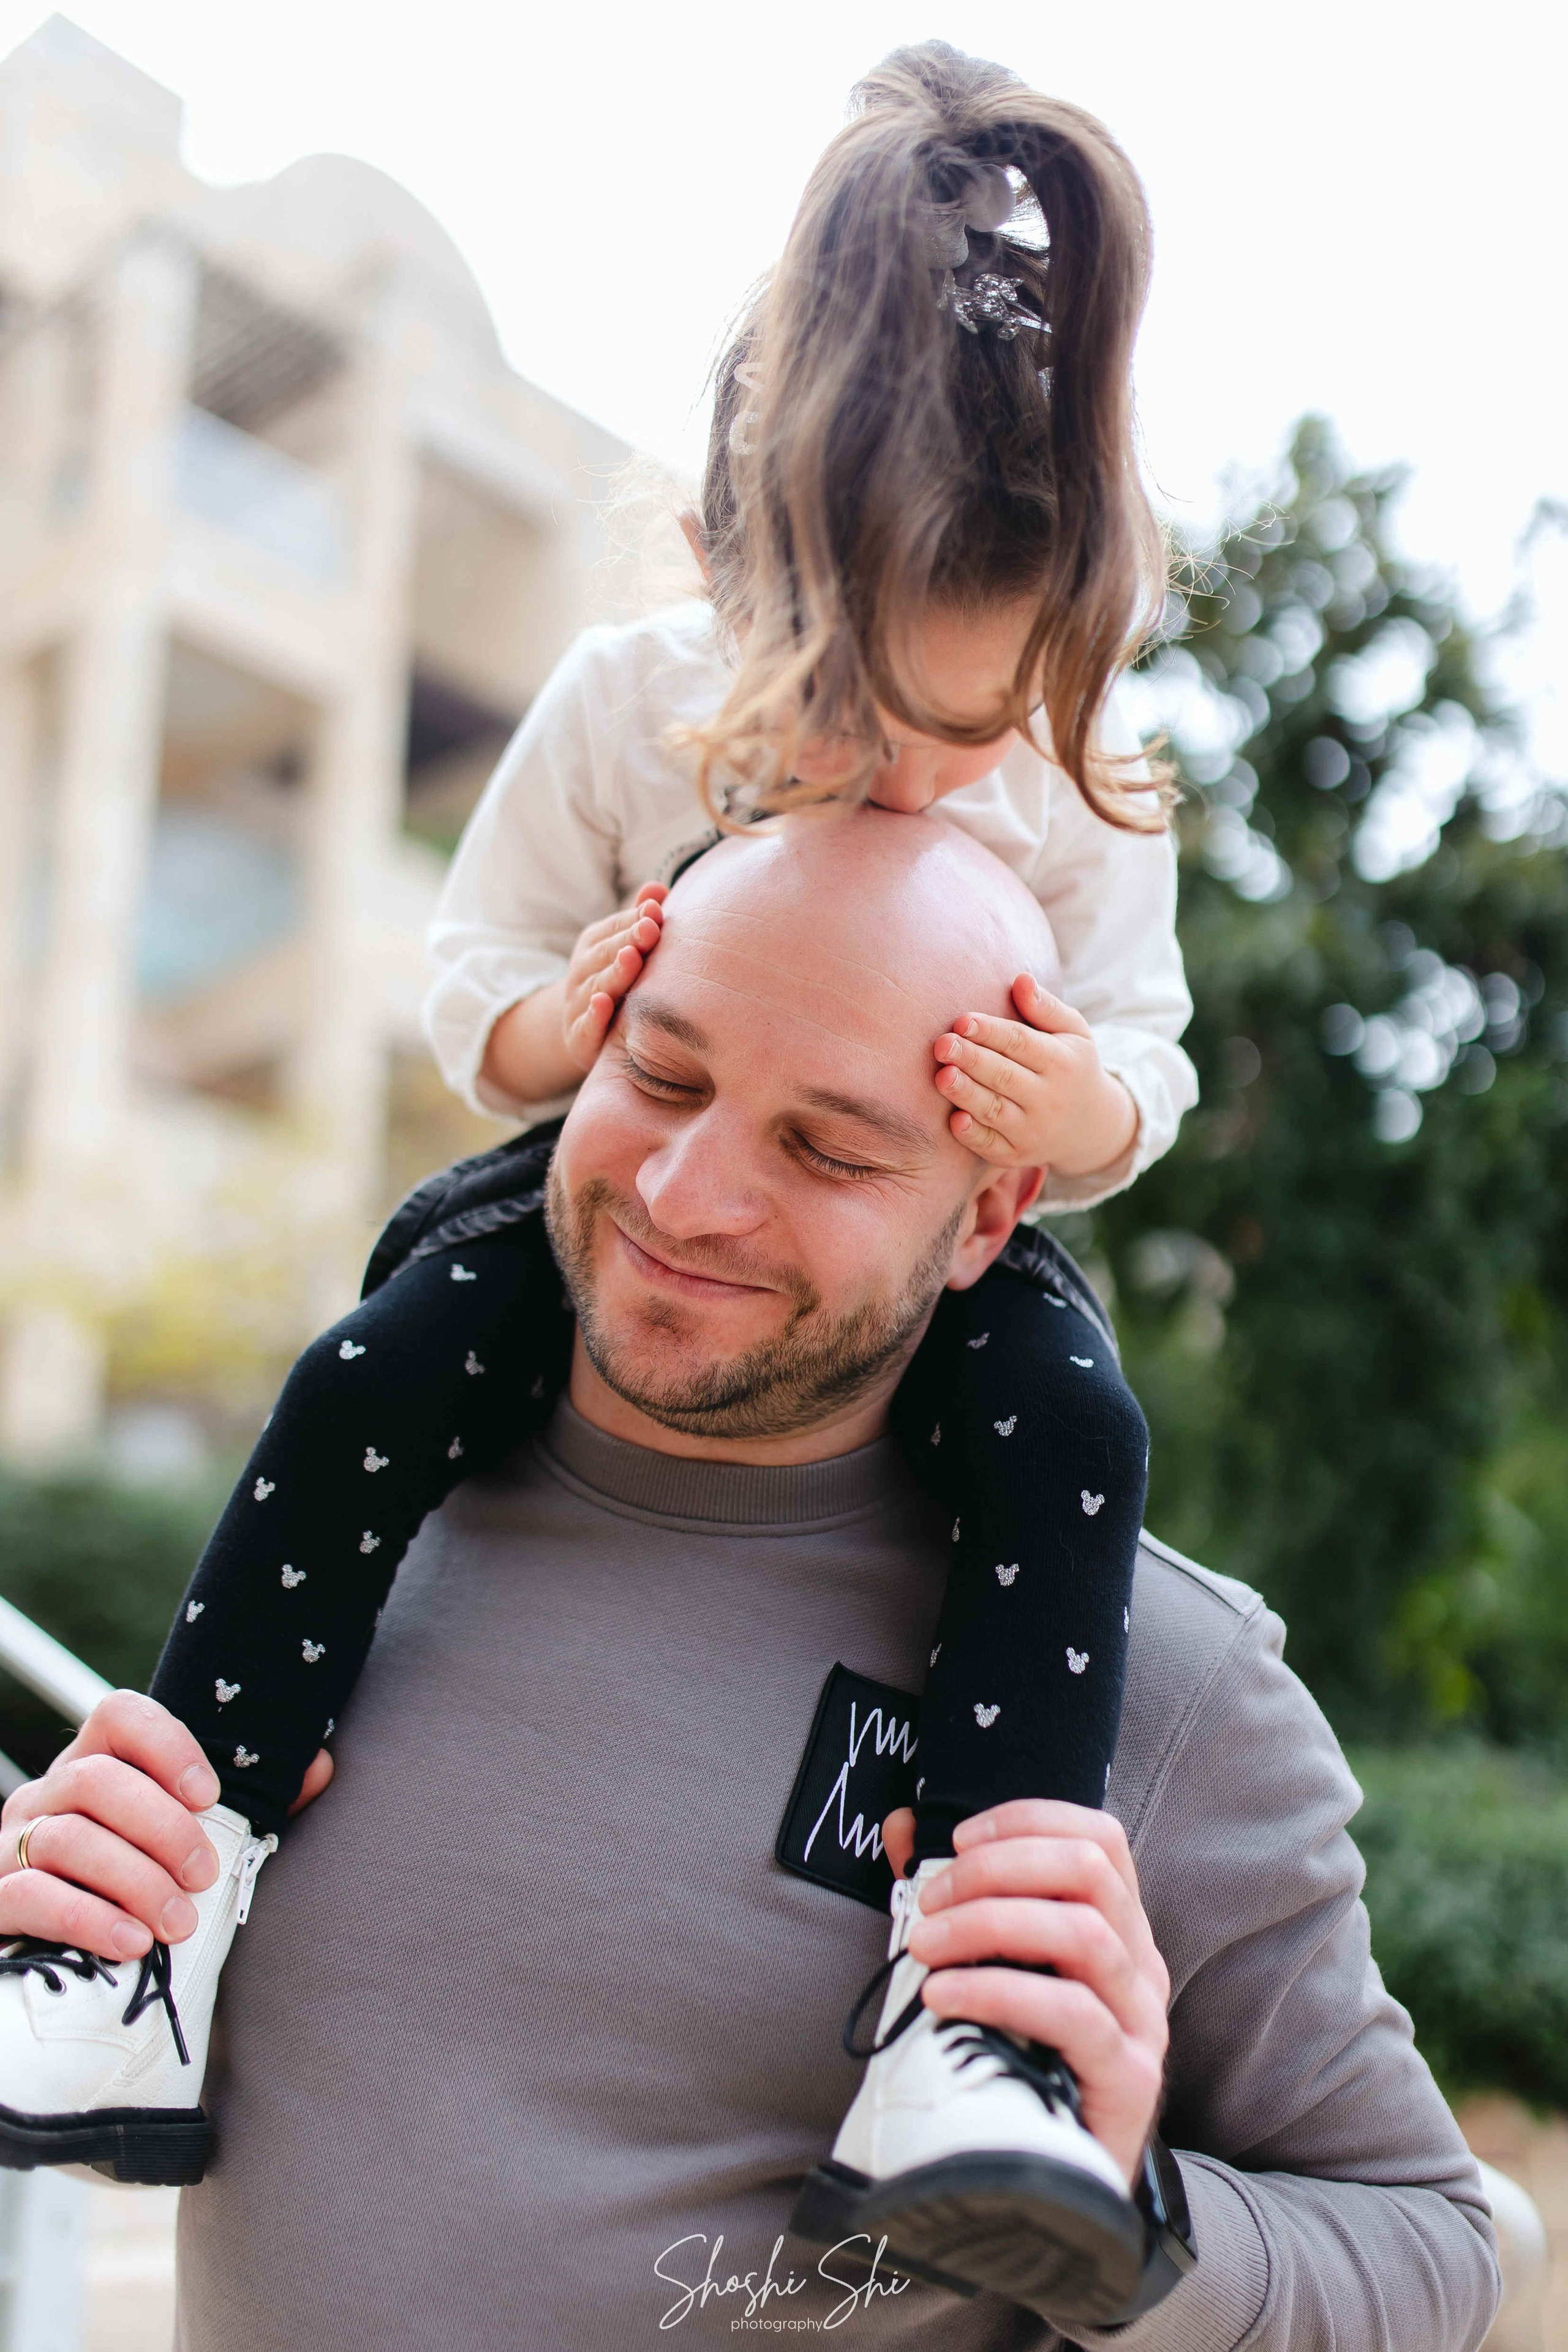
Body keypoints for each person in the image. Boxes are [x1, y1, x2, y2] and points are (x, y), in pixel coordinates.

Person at [2, 37, 1196, 2304]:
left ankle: (976, 2018)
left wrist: (1082, 1118)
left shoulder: (1072, 788)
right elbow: (475, 981)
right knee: (371, 1373)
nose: (903, 789)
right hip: (589, 1213)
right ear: (737, 573)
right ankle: (162, 1904)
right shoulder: (630, 701)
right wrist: (575, 1030)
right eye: (849, 720)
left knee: (1075, 1435)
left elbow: (1152, 1054)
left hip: (932, 1262)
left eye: (958, 739)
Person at [0, 814, 1499, 2350]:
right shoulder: (333, 1553)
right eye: (659, 1075)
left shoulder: (1167, 1679)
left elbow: (1432, 2247)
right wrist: (57, 1892)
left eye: (828, 1149)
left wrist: (1122, 2219)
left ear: (989, 1214)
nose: (683, 1192)